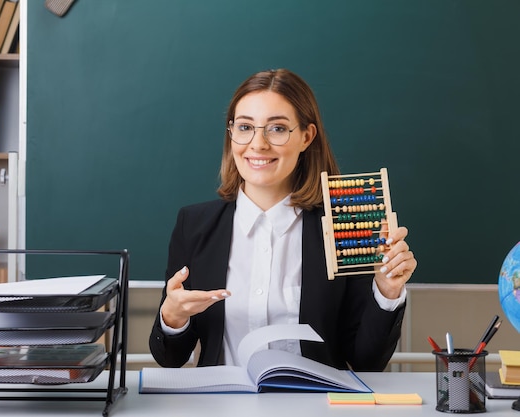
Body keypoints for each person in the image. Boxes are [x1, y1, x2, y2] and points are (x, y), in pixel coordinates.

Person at [149, 68, 417, 372]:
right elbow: (169, 358)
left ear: (306, 136)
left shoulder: (345, 226)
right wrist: (172, 316)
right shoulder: (194, 225)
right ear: (231, 133)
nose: (258, 144)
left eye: (276, 128)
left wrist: (387, 291)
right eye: (245, 127)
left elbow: (366, 361)